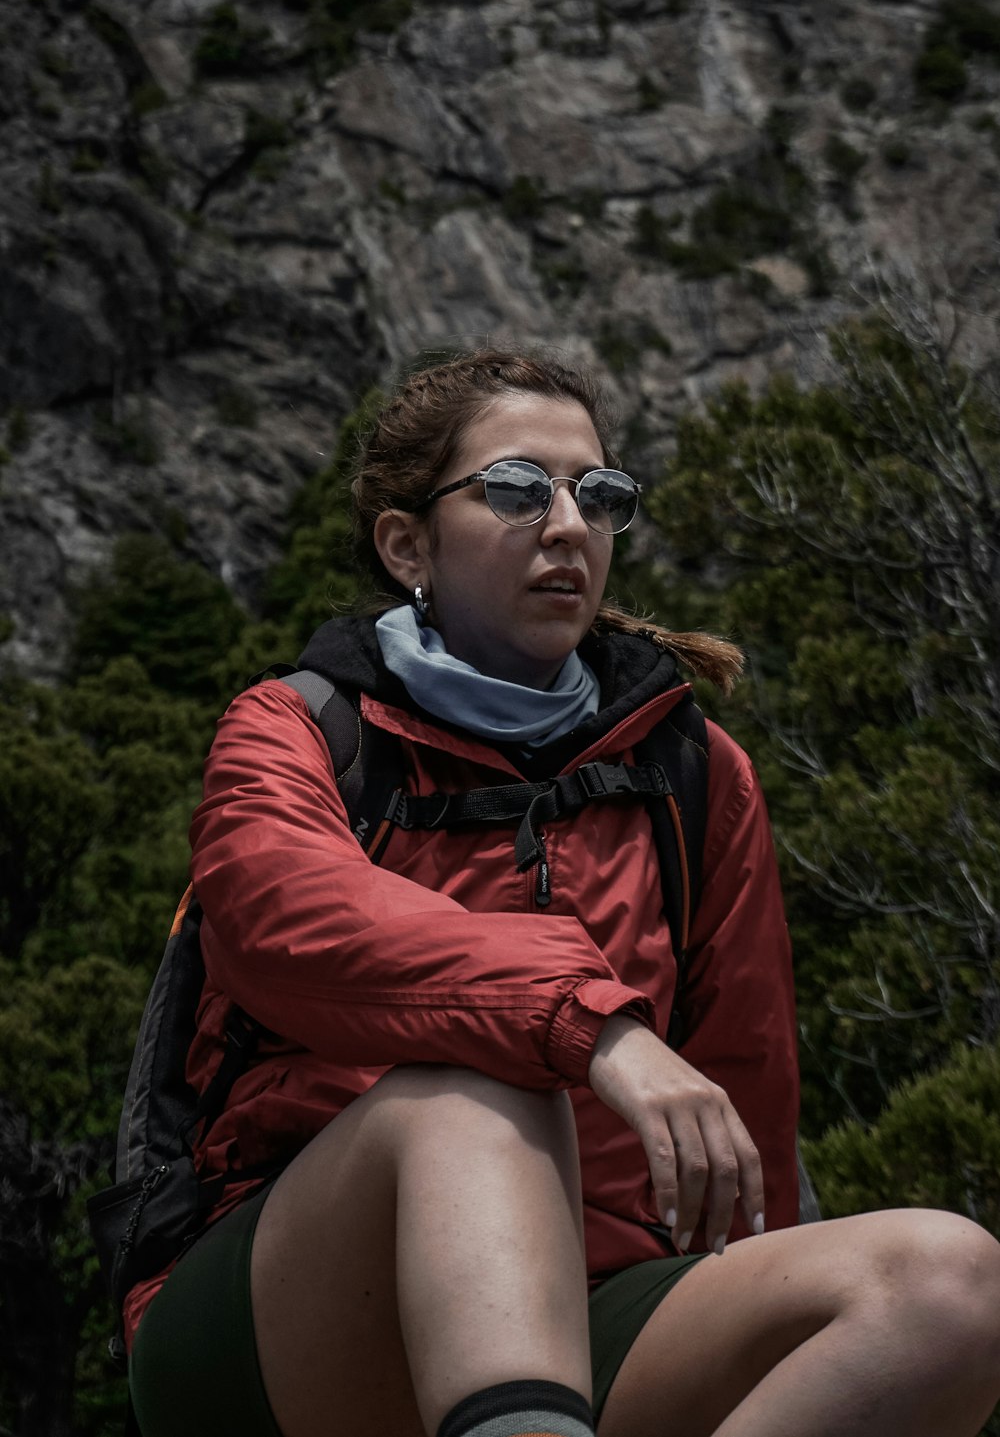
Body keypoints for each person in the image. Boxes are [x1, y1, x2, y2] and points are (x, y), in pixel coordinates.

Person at [125, 347, 1000, 1437]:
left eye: (598, 494)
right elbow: (283, 924)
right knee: (483, 1086)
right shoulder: (298, 729)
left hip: (592, 1311)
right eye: (513, 489)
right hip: (288, 1306)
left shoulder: (692, 771)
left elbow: (742, 1108)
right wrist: (594, 1028)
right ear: (408, 544)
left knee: (951, 1285)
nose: (567, 524)